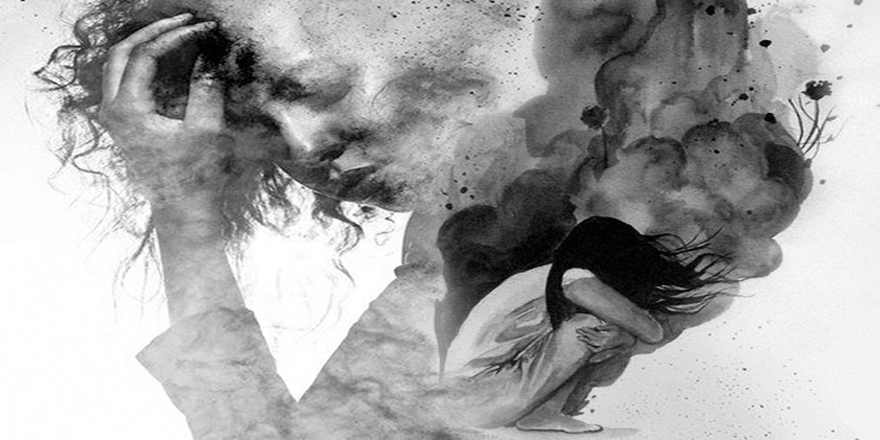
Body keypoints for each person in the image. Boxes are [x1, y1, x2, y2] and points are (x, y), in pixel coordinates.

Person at [38, 0, 807, 438]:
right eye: (265, 128)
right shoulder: (474, 240)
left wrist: (186, 215)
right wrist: (186, 210)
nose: (306, 145)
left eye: (314, 86)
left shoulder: (645, 150)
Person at [442, 216, 734, 432]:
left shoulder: (555, 275)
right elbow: (652, 331)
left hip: (471, 396)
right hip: (475, 402)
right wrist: (625, 337)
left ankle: (542, 414)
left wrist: (622, 336)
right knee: (590, 327)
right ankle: (544, 413)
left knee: (600, 328)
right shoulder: (576, 280)